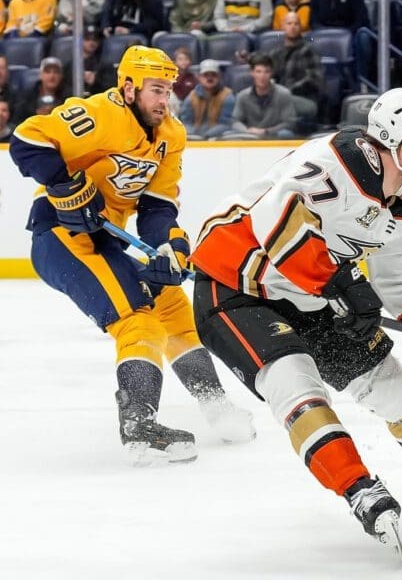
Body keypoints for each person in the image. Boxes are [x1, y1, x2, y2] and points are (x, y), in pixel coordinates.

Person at [188, 87, 402, 550]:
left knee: (395, 388)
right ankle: (358, 487)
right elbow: (278, 223)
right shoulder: (333, 162)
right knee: (295, 384)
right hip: (238, 290)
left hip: (316, 298)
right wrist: (339, 284)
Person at [8, 46, 255, 466]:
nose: (165, 100)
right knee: (137, 319)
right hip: (60, 236)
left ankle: (215, 404)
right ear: (128, 87)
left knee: (173, 306)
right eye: (156, 90)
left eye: (169, 90)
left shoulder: (171, 135)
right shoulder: (100, 115)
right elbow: (27, 139)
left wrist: (171, 246)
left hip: (106, 239)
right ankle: (138, 422)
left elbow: (157, 207)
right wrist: (65, 186)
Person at [268, 11, 322, 132]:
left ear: (300, 27)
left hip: (304, 99)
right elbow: (267, 74)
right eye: (289, 23)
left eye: (296, 24)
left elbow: (314, 79)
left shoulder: (308, 51)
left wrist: (288, 91)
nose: (292, 27)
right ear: (282, 26)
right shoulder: (276, 53)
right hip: (281, 99)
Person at [228, 53, 297, 138]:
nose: (262, 76)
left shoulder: (283, 94)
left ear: (271, 73)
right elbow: (235, 121)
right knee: (228, 134)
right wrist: (247, 131)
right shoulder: (242, 96)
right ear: (252, 73)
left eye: (266, 72)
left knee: (286, 134)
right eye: (258, 71)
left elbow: (290, 123)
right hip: (249, 137)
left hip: (274, 136)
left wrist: (266, 131)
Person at [179, 59, 235, 139]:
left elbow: (226, 123)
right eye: (206, 75)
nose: (209, 78)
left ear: (219, 77)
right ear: (199, 77)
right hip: (194, 138)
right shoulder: (191, 97)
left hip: (219, 138)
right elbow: (185, 122)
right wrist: (195, 136)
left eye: (213, 75)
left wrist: (206, 136)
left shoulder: (227, 96)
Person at [13, 57, 71, 126]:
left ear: (61, 76)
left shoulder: (69, 97)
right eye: (47, 72)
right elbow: (17, 121)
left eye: (56, 72)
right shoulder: (28, 95)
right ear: (41, 75)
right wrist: (36, 115)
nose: (52, 76)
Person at [103, 0, 167, 41]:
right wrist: (107, 27)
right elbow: (107, 14)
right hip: (118, 36)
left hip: (140, 36)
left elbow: (154, 24)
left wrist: (130, 31)